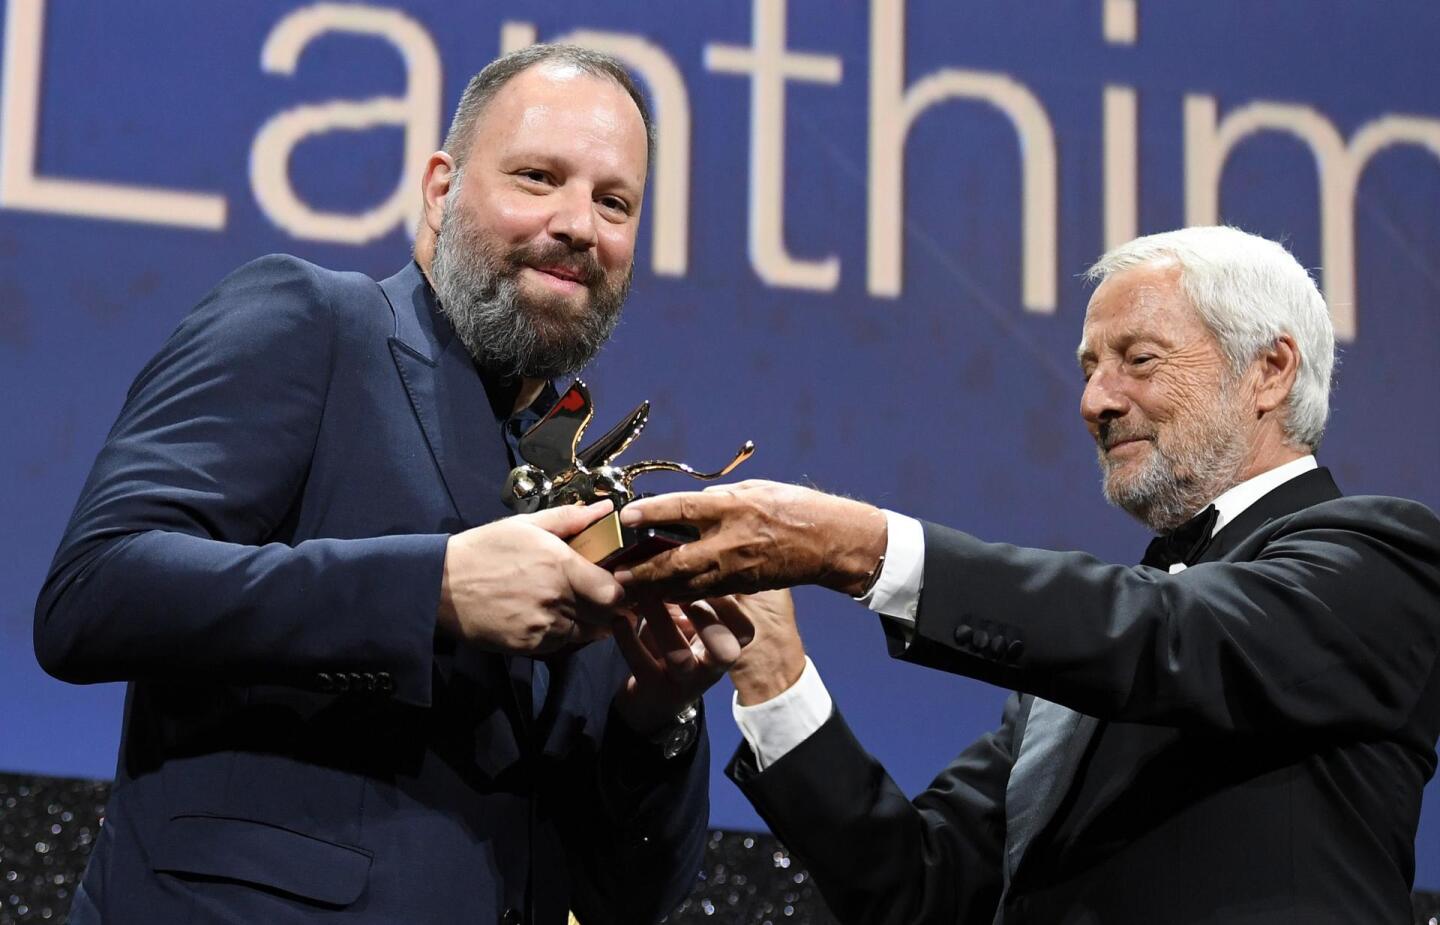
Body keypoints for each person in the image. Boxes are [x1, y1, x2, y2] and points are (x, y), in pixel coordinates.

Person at [33, 45, 747, 925]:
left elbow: (627, 894)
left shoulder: (587, 498)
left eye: (614, 202)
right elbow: (93, 592)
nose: (578, 224)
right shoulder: (311, 322)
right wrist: (431, 589)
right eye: (537, 177)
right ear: (441, 189)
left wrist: (658, 715)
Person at [619, 227, 1440, 923]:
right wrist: (773, 673)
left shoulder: (1383, 559)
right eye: (1088, 365)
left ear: (1270, 370)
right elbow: (915, 887)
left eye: (1138, 359)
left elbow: (1171, 635)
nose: (1094, 399)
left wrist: (859, 547)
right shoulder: (1069, 681)